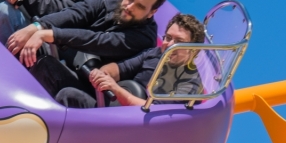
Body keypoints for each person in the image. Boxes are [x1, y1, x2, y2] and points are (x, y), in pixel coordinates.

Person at [6, 0, 166, 98]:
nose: (129, 7)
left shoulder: (145, 37)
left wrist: (48, 34)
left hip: (94, 91)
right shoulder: (106, 1)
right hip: (71, 63)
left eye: (140, 6)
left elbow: (99, 41)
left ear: (152, 13)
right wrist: (36, 27)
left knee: (46, 66)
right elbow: (73, 14)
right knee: (20, 33)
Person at [56, 13, 206, 108]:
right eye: (168, 38)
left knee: (68, 95)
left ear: (194, 51)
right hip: (112, 108)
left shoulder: (191, 83)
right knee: (55, 75)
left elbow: (156, 112)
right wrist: (103, 74)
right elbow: (121, 68)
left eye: (178, 41)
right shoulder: (153, 54)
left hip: (138, 133)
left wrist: (117, 90)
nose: (169, 44)